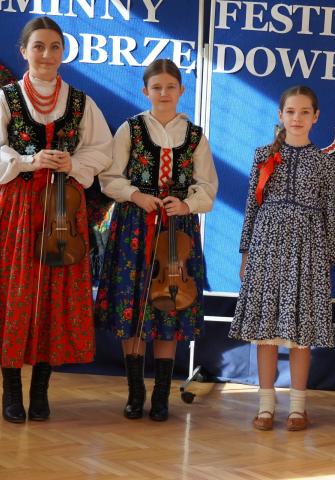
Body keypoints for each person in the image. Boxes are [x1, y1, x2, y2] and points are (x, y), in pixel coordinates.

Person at [0, 16, 112, 423]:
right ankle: (12, 389)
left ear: (63, 53)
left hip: (63, 208)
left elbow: (101, 150)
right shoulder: (7, 98)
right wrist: (28, 160)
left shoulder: (80, 102)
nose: (47, 54)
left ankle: (41, 390)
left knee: (54, 293)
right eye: (39, 46)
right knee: (15, 292)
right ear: (24, 51)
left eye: (54, 47)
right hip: (18, 207)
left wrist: (74, 163)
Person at [96, 59, 218, 421]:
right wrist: (136, 195)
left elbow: (208, 186)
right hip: (136, 226)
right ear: (145, 91)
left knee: (170, 304)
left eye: (170, 87)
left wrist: (186, 204)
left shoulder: (194, 136)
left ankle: (162, 395)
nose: (164, 93)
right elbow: (110, 177)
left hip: (177, 230)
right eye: (156, 87)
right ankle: (135, 392)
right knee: (134, 306)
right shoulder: (130, 129)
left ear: (181, 90)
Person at [229, 85, 335, 432]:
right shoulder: (263, 155)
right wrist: (245, 252)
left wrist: (328, 259)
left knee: (300, 332)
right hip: (266, 246)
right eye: (291, 111)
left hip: (307, 250)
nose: (297, 118)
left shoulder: (325, 162)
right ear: (280, 115)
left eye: (305, 112)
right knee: (266, 331)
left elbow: (328, 214)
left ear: (316, 117)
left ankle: (298, 408)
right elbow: (252, 206)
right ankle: (265, 406)